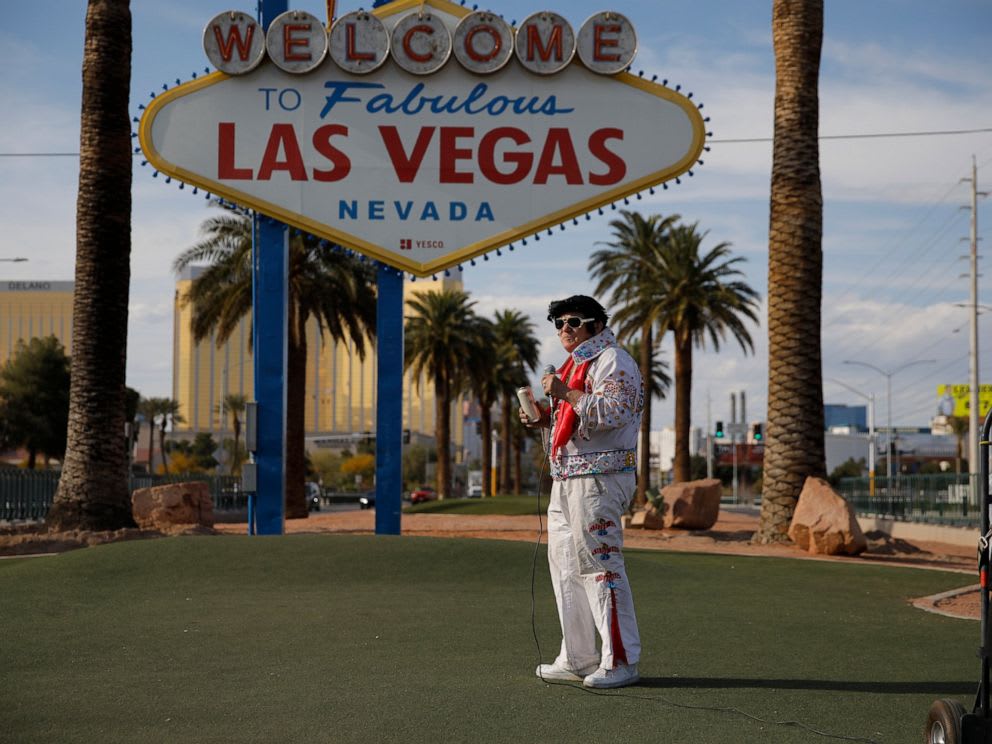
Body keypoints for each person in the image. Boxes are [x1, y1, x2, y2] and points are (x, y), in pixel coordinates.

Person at [522, 294, 644, 689]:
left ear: (596, 323)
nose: (564, 329)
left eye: (573, 321)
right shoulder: (574, 366)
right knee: (565, 567)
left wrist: (564, 394)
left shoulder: (613, 359)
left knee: (601, 565)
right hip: (567, 480)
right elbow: (578, 422)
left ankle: (620, 660)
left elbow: (616, 411)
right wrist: (544, 419)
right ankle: (577, 657)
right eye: (558, 323)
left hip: (600, 479)